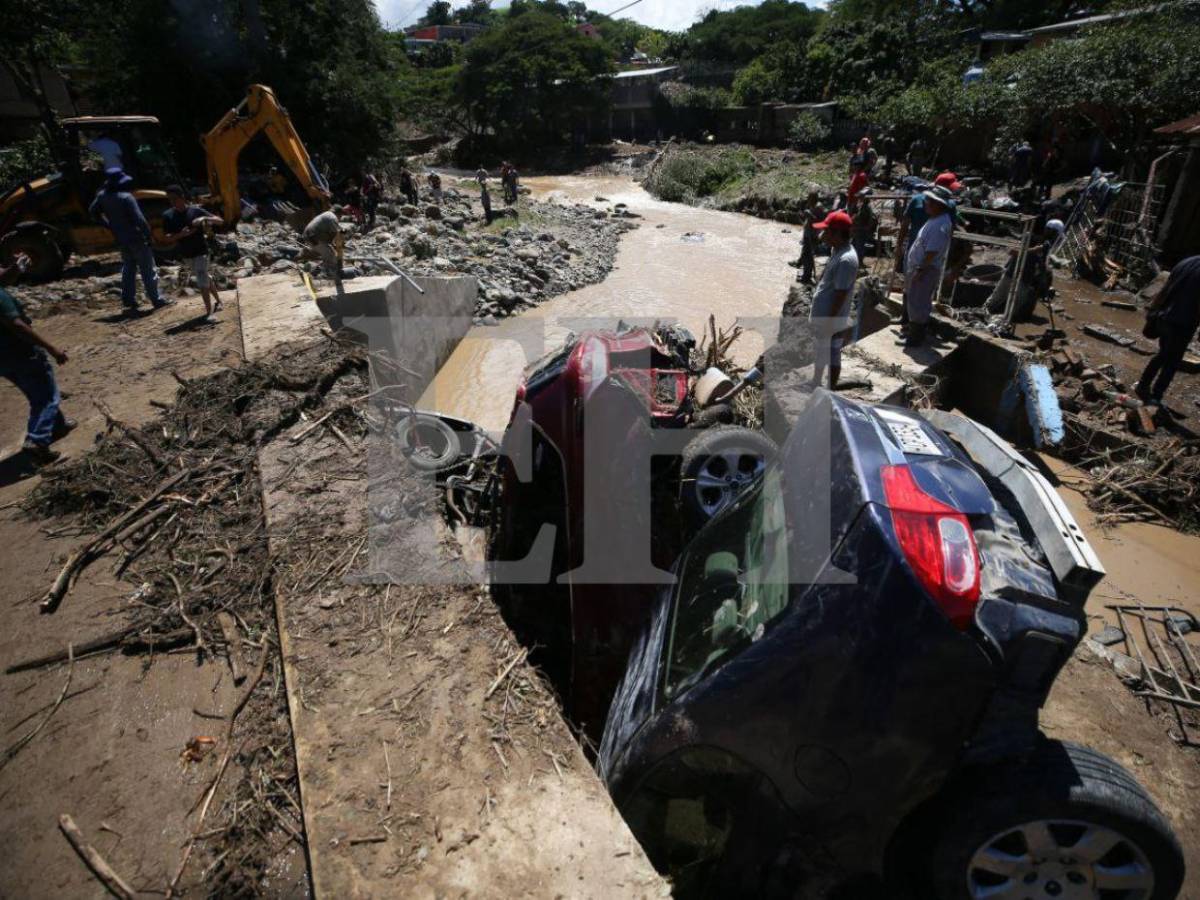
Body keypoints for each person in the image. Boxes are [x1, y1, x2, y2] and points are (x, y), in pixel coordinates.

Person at [0, 254, 76, 465]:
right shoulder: (1, 297)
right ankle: (37, 441)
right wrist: (52, 348)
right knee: (46, 397)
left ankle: (57, 426)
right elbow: (17, 325)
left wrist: (16, 268)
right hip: (21, 352)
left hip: (3, 359)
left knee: (38, 390)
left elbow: (5, 278)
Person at [89, 167, 168, 313]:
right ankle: (157, 299)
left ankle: (128, 299)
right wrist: (149, 235)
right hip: (136, 237)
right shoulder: (126, 197)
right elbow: (140, 220)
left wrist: (108, 225)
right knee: (148, 270)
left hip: (120, 238)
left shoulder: (102, 196)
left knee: (128, 269)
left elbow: (93, 213)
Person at [1136, 255, 1200, 406]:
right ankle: (1156, 397)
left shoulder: (1187, 261)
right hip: (1182, 323)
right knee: (1172, 362)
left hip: (1164, 317)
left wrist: (1152, 312)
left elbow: (1166, 288)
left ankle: (1142, 385)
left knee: (1163, 354)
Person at [808, 210, 860, 390]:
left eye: (826, 231)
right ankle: (816, 382)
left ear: (836, 234)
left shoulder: (846, 260)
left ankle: (829, 389)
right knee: (823, 350)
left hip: (832, 317)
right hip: (828, 315)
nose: (822, 234)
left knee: (833, 352)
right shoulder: (838, 250)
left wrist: (829, 321)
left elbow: (841, 294)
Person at [162, 185, 224, 321]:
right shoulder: (168, 216)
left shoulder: (195, 211)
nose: (172, 202)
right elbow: (167, 238)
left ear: (182, 197)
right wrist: (181, 235)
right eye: (169, 199)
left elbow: (219, 221)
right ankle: (219, 301)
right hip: (186, 254)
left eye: (174, 198)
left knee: (201, 278)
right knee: (204, 277)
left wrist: (203, 219)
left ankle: (209, 313)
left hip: (201, 250)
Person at [903, 185, 954, 347]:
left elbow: (931, 252)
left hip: (925, 269)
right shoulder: (936, 220)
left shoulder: (940, 224)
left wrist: (920, 269)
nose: (925, 204)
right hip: (922, 267)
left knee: (918, 302)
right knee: (916, 300)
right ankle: (914, 333)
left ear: (938, 204)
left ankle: (916, 337)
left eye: (928, 201)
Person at [986, 219, 1063, 322]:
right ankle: (986, 313)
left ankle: (1003, 320)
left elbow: (1041, 261)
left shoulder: (1045, 244)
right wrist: (1032, 251)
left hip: (1025, 275)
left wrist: (1043, 273)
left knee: (1015, 302)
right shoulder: (1030, 237)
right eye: (1055, 234)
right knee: (999, 296)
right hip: (1015, 270)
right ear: (1050, 231)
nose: (1055, 237)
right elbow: (1018, 251)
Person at [303, 207, 345, 291]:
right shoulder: (332, 217)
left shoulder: (327, 215)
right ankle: (330, 277)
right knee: (330, 255)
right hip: (313, 238)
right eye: (340, 217)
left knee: (328, 253)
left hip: (310, 237)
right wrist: (340, 247)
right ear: (339, 214)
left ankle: (320, 271)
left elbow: (337, 231)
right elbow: (338, 235)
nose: (339, 219)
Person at [797, 191, 827, 286]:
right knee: (806, 255)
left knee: (809, 256)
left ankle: (808, 276)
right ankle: (807, 275)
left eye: (809, 198)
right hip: (808, 234)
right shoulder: (812, 206)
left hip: (813, 235)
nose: (807, 200)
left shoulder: (818, 207)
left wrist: (810, 215)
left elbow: (821, 222)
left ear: (813, 198)